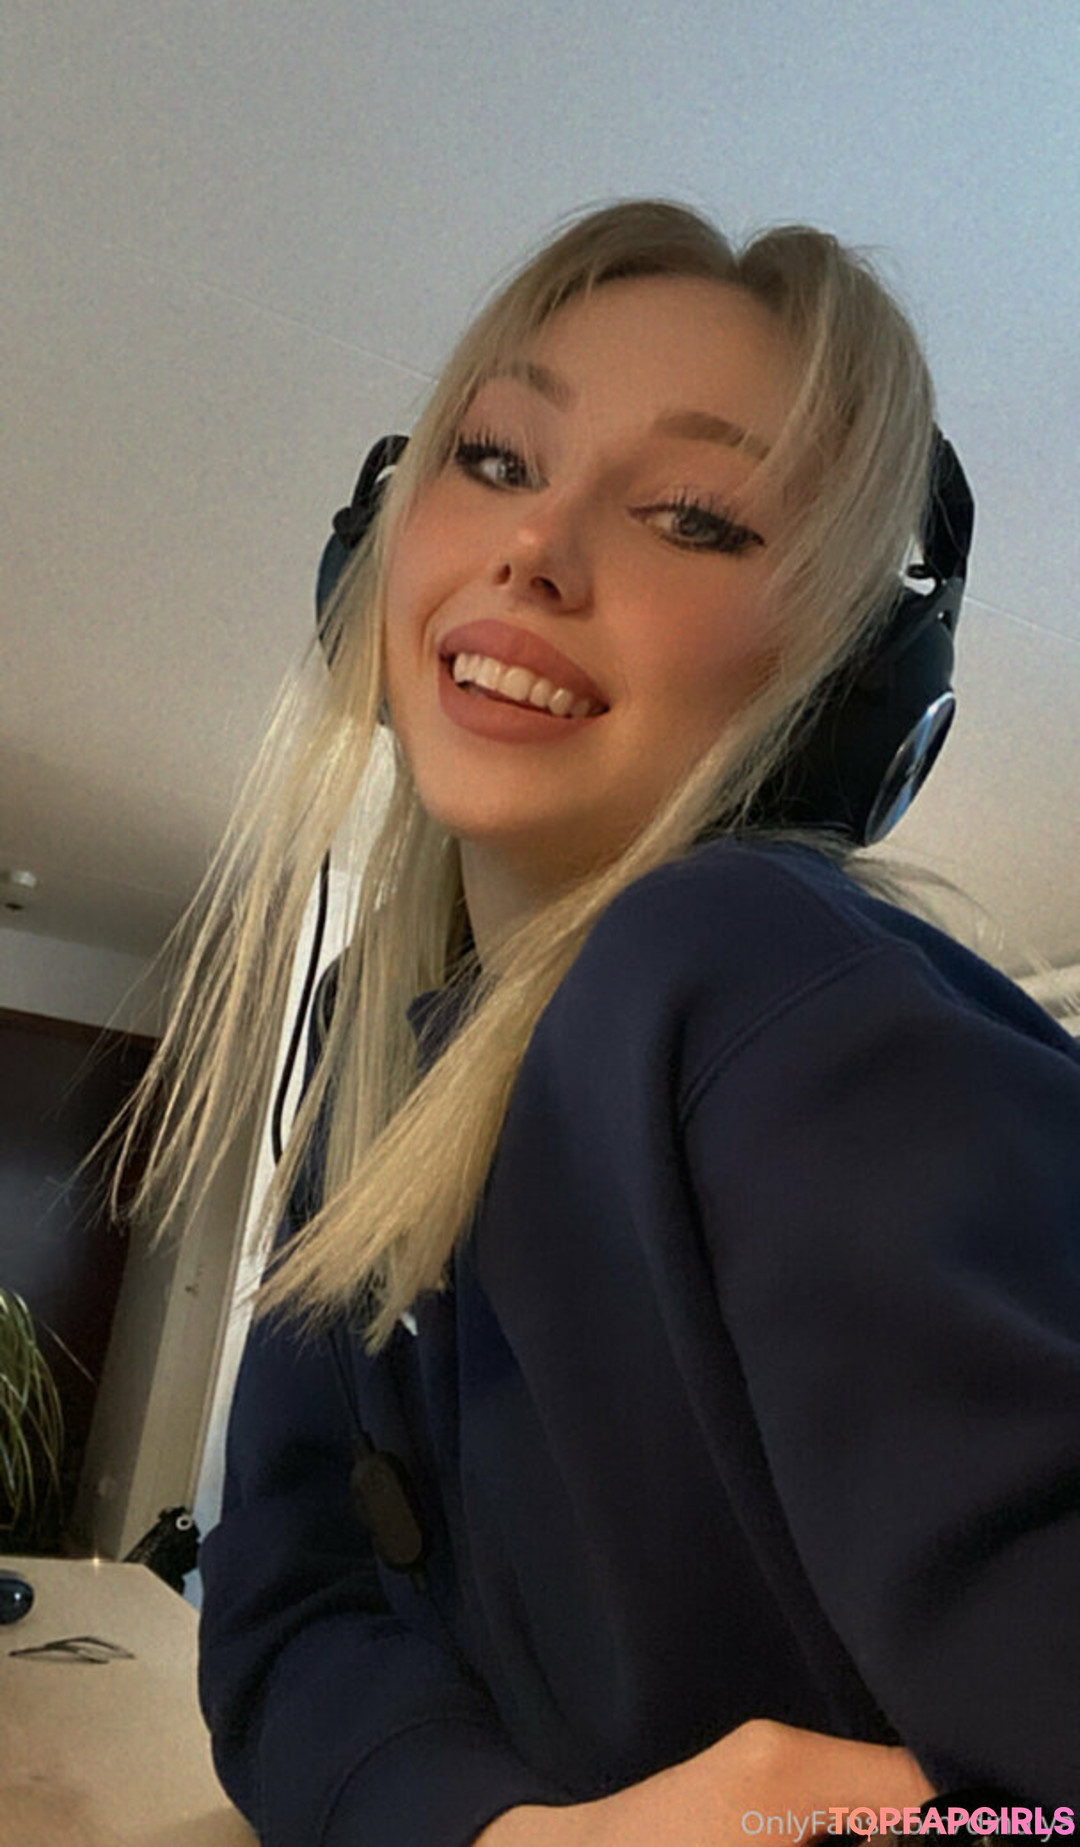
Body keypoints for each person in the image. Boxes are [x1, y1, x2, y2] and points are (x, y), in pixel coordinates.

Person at [114, 200, 1080, 1844]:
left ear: (845, 687)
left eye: (695, 518)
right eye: (496, 458)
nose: (537, 548)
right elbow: (286, 1621)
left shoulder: (750, 974)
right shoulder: (370, 1051)